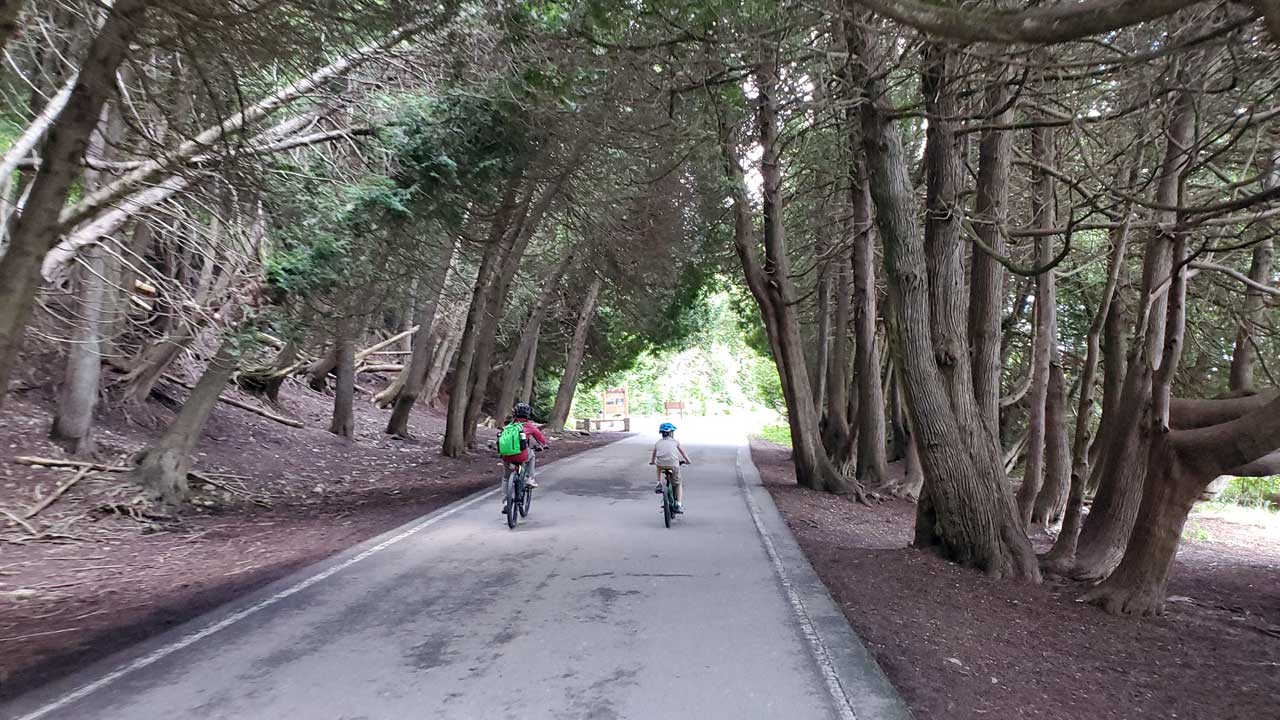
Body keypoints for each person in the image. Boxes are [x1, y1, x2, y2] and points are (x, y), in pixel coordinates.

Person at [499, 403, 548, 513]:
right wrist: (543, 445)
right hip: (522, 455)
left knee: (506, 477)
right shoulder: (529, 426)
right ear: (528, 414)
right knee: (532, 455)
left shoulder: (509, 426)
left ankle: (506, 501)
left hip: (506, 456)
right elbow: (541, 439)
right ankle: (530, 478)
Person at [650, 422, 691, 513]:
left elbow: (653, 455)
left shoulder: (658, 443)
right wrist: (688, 461)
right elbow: (683, 453)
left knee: (658, 466)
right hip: (673, 464)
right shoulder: (675, 442)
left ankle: (659, 483)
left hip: (661, 464)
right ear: (671, 433)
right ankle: (678, 504)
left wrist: (652, 462)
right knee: (678, 484)